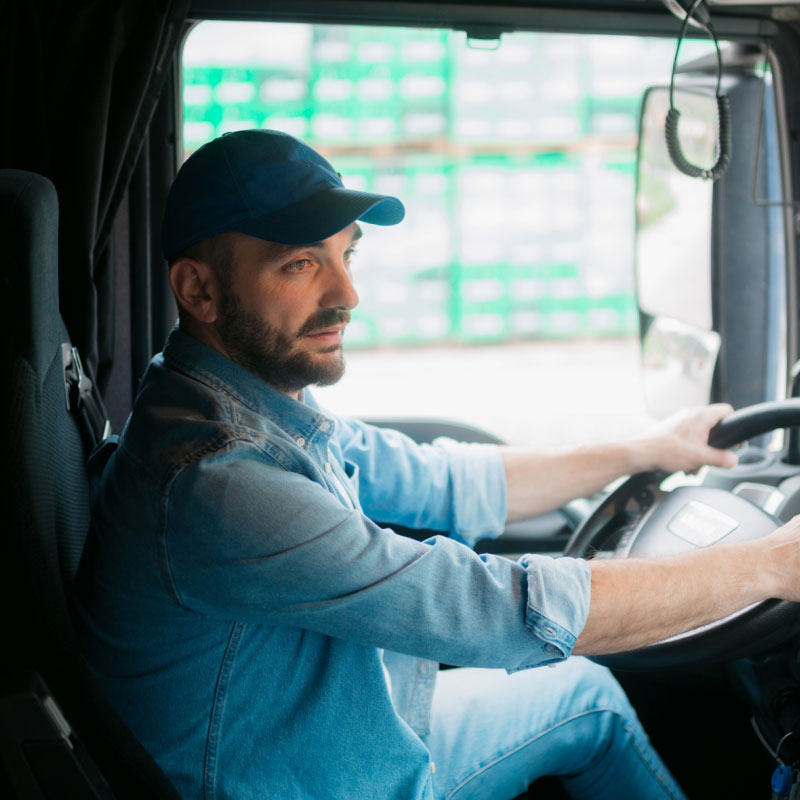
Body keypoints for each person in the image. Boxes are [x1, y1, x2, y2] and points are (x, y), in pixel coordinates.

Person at [74, 129, 800, 800]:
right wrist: (765, 566)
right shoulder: (218, 485)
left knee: (585, 694)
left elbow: (447, 479)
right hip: (281, 780)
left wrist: (649, 449)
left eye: (346, 254)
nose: (346, 296)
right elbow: (494, 613)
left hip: (325, 735)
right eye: (300, 264)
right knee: (583, 692)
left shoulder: (248, 410)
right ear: (198, 290)